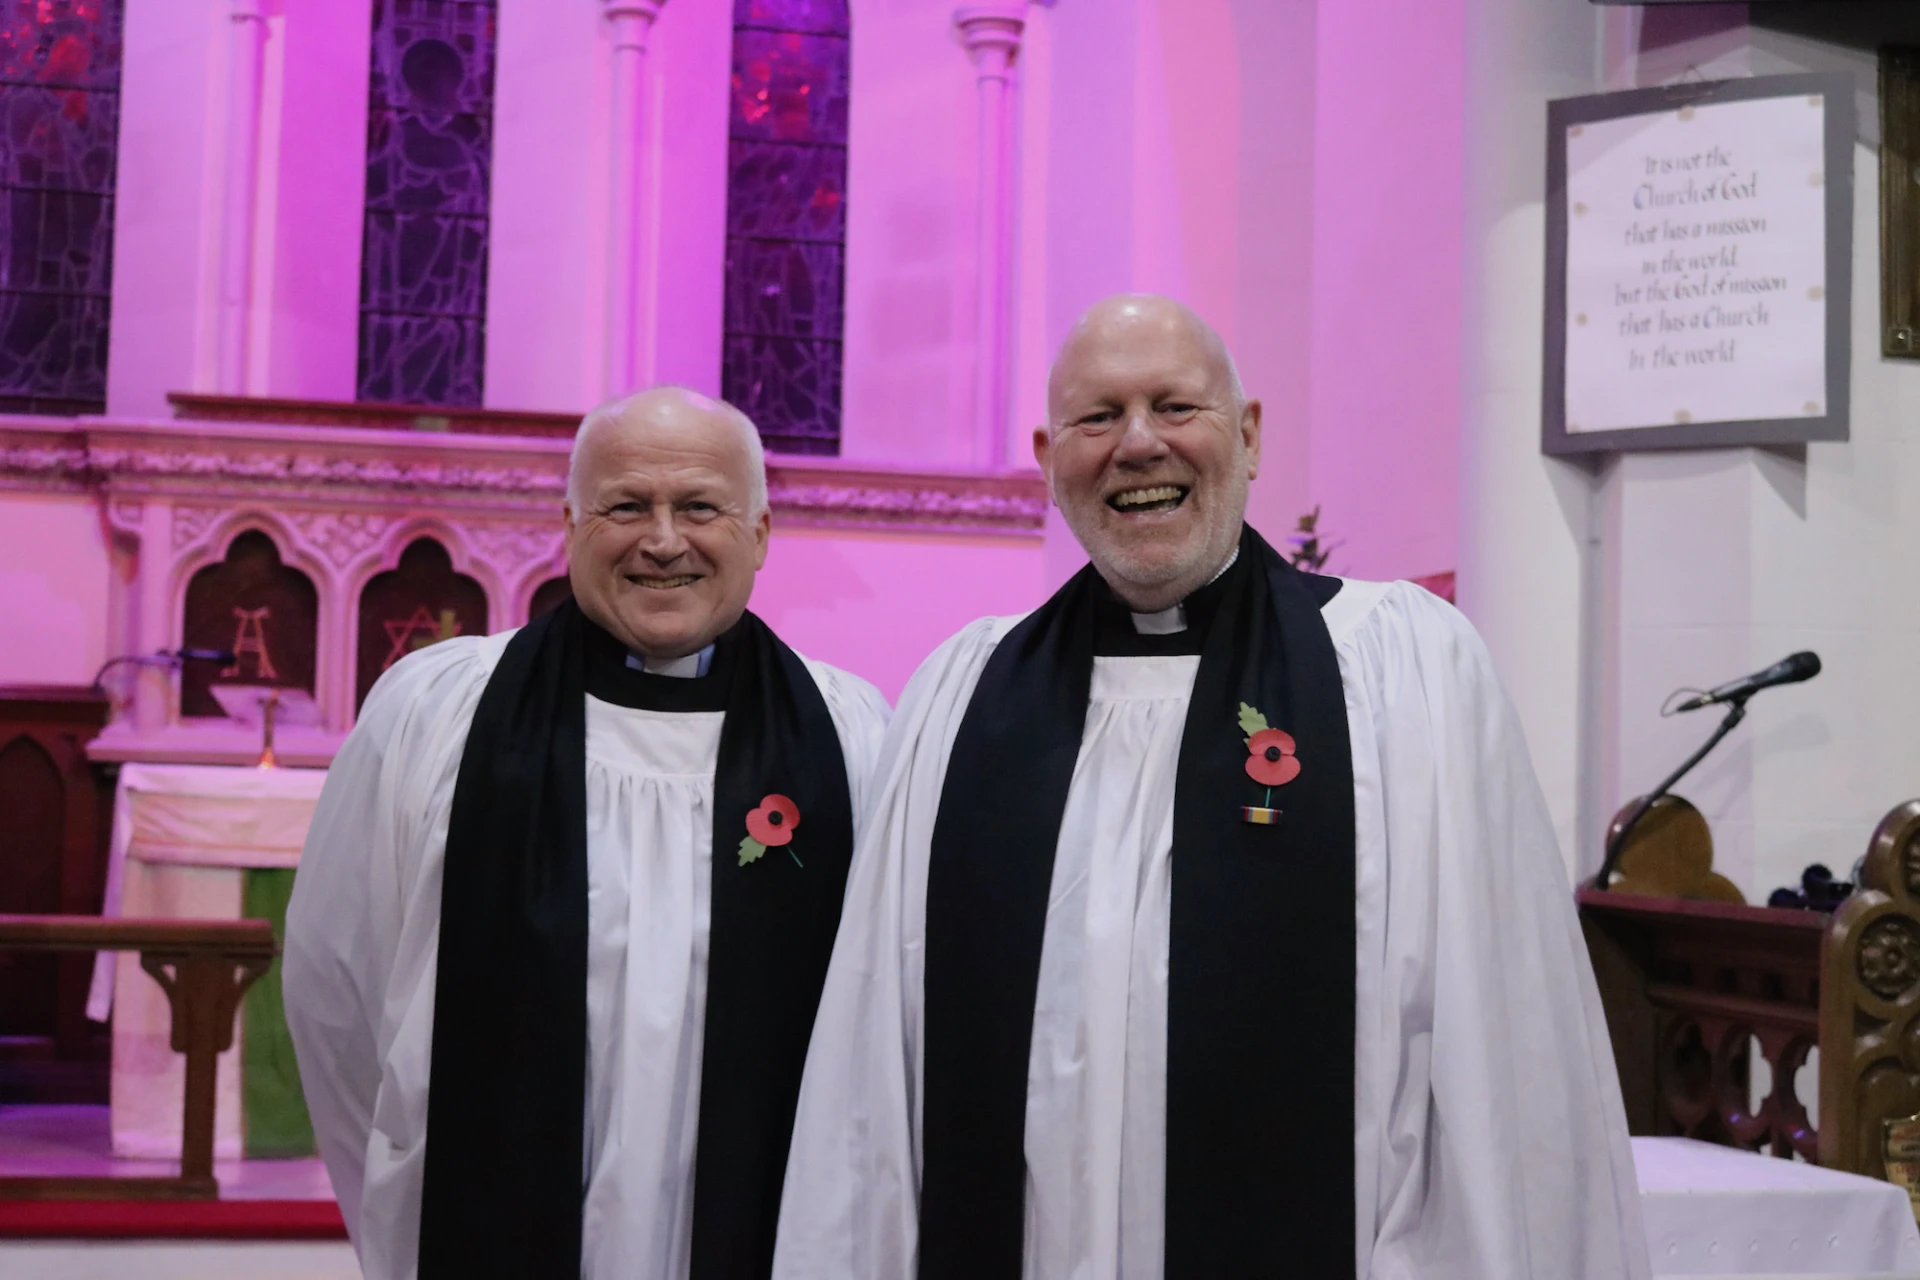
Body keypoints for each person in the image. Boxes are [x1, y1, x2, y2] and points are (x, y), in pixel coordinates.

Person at [773, 295, 1650, 1279]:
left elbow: (1502, 1053)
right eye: (1097, 417)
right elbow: (872, 1073)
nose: (1138, 444)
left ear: (1250, 433)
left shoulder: (1401, 668)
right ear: (1047, 457)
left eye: (1175, 406)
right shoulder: (961, 695)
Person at [284, 387, 889, 1280]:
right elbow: (339, 985)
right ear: (568, 524)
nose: (663, 540)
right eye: (626, 505)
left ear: (760, 534)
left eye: (699, 507)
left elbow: (877, 1022)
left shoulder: (850, 733)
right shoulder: (437, 711)